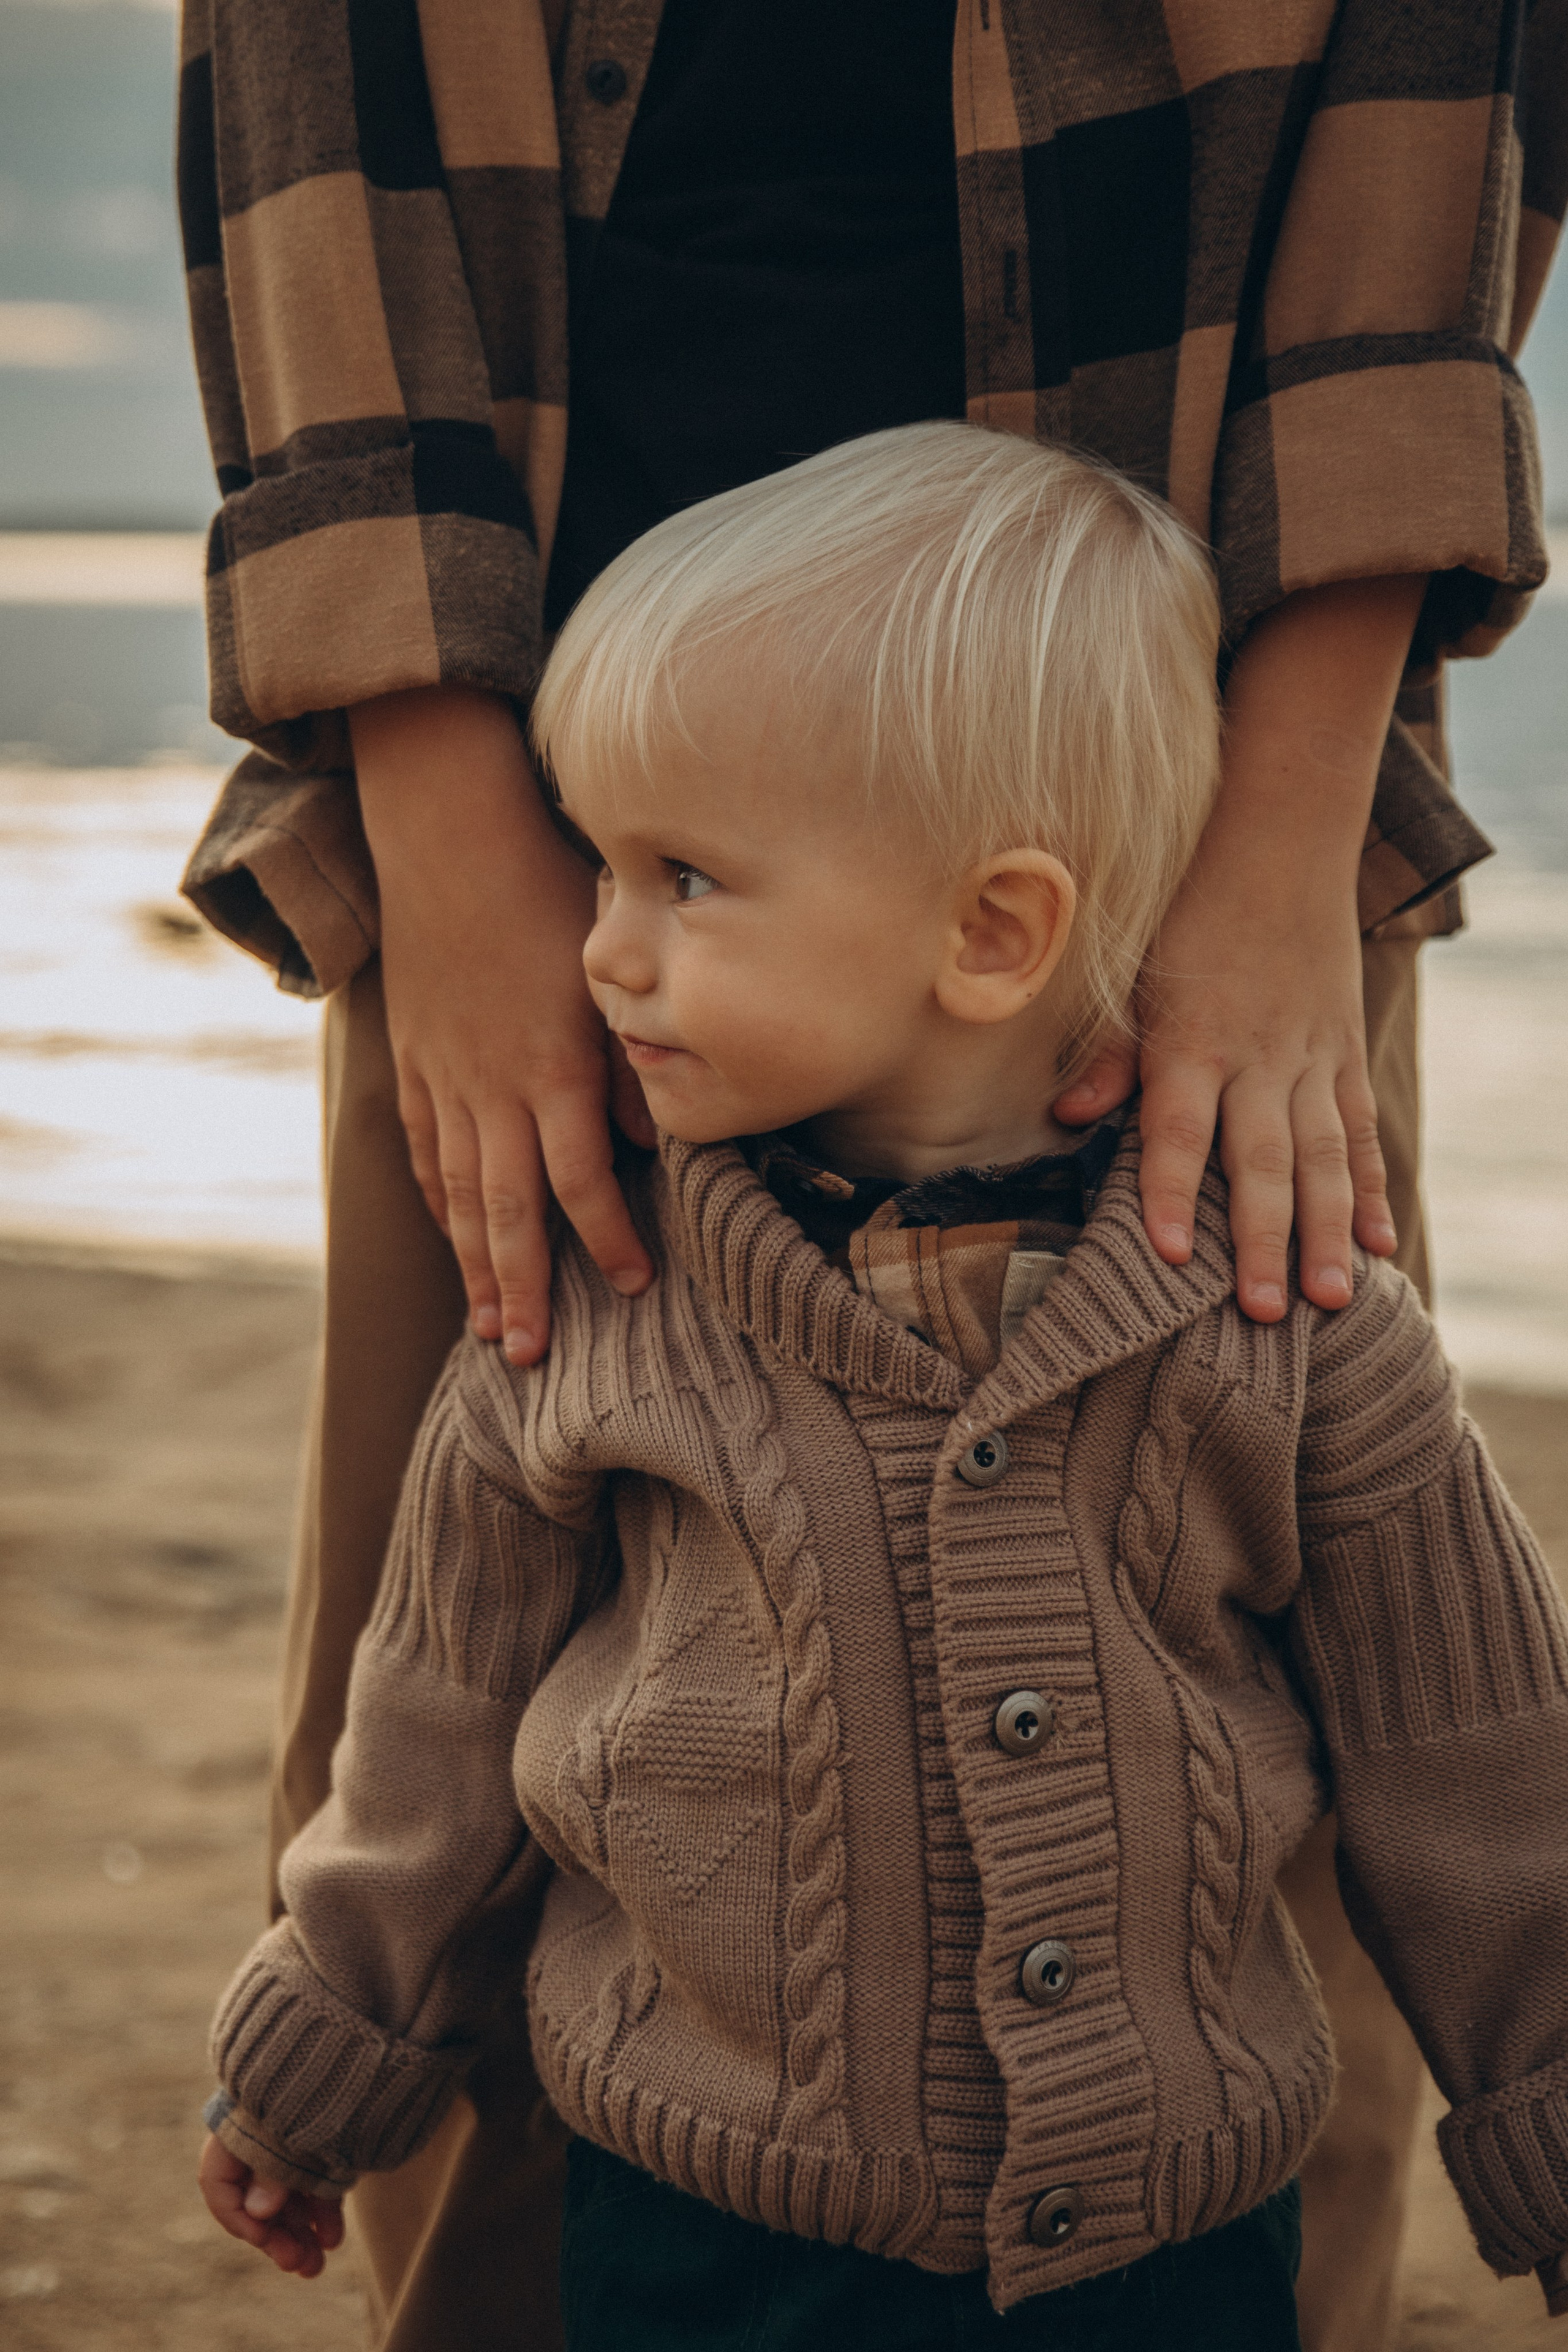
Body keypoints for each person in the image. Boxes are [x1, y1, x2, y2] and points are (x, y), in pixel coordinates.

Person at [173, 5, 1568, 2344]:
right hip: (676, 2257)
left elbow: (1470, 1763)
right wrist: (465, 833)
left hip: (1206, 738)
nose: (629, 943)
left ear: (1013, 925)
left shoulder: (1296, 1341)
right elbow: (432, 1723)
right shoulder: (592, 1304)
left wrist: (1284, 833)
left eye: (669, 889)